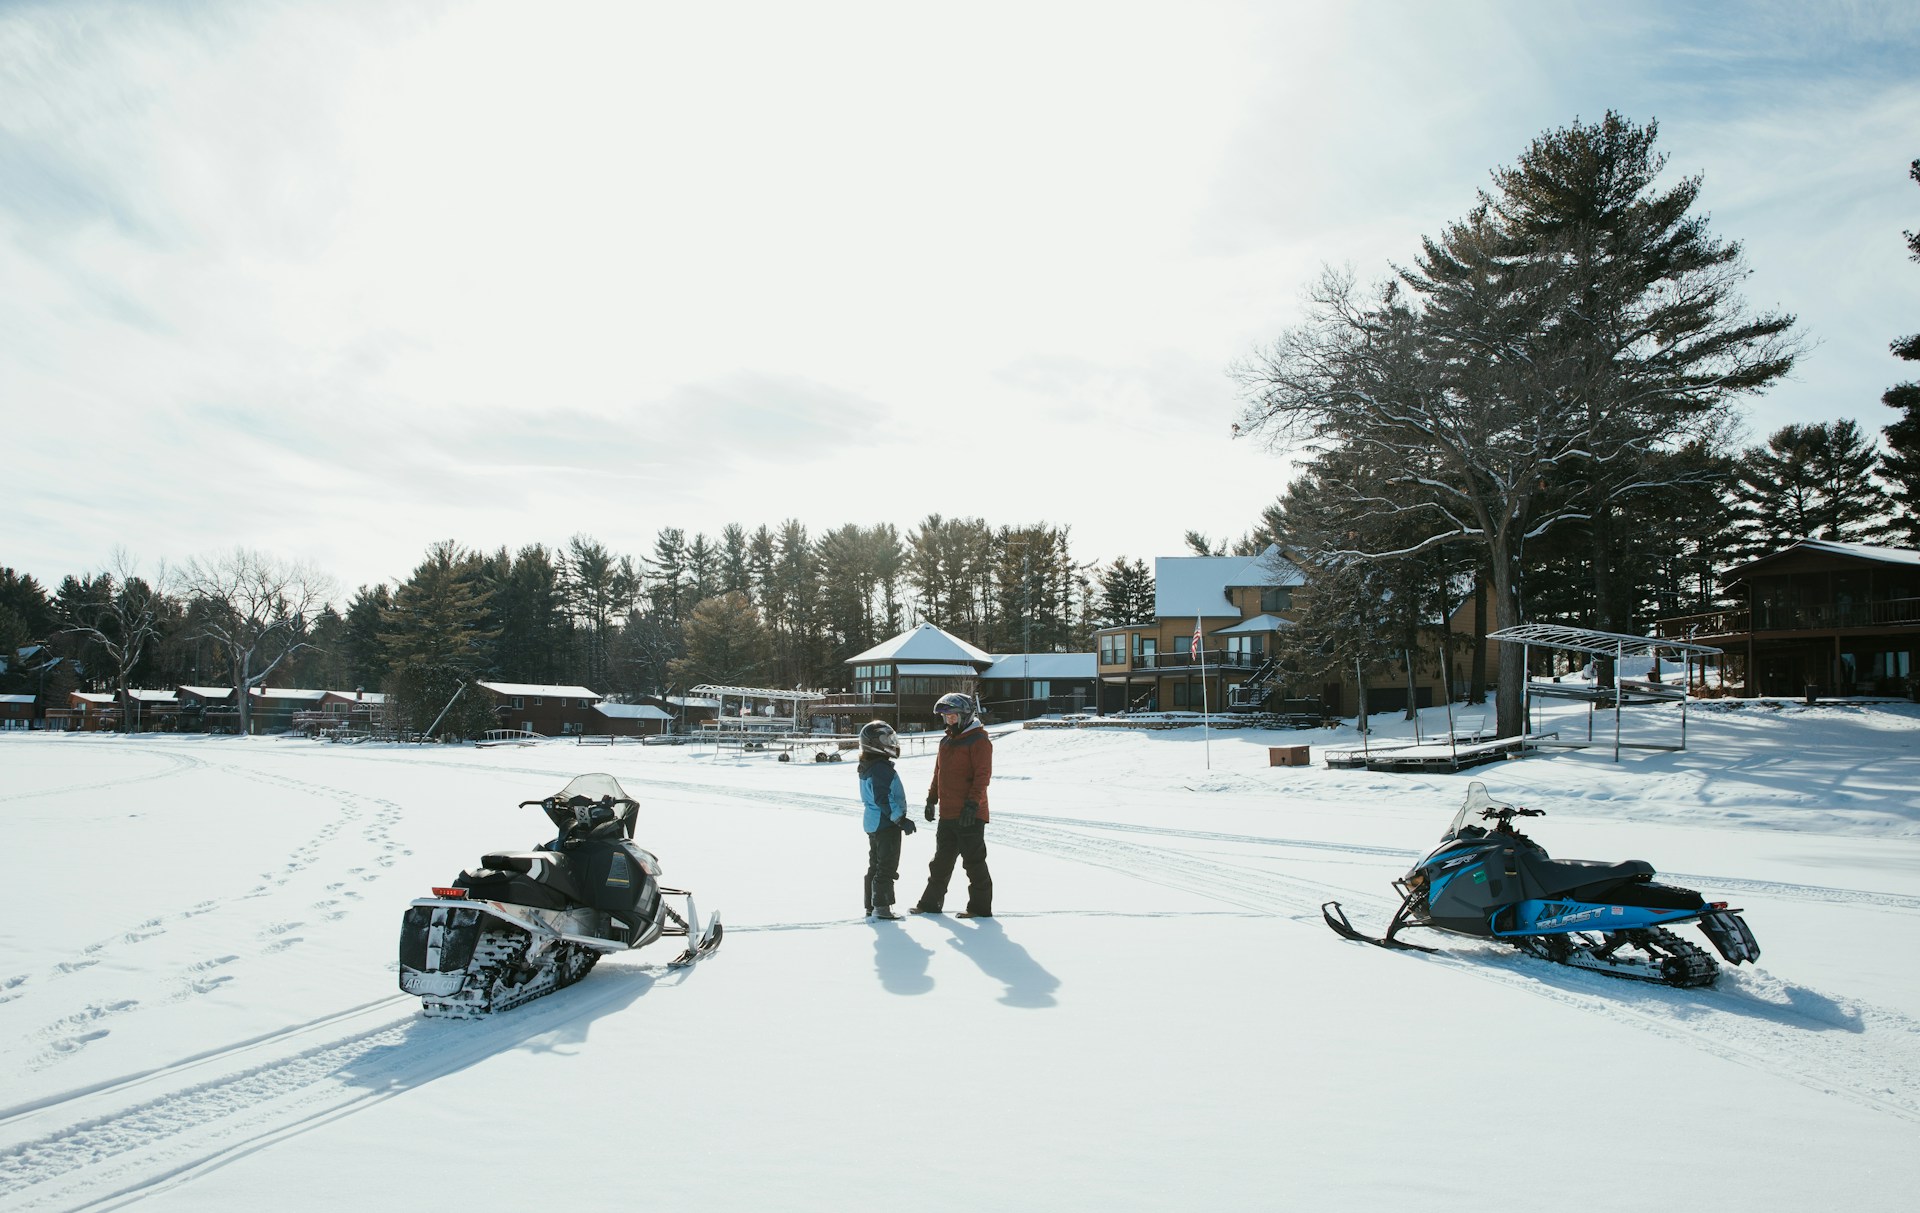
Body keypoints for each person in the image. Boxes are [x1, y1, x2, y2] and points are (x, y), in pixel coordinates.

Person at [910, 692, 993, 918]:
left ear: (965, 716)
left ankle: (980, 908)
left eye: (953, 717)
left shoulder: (979, 740)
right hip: (948, 814)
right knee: (941, 862)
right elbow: (939, 773)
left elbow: (982, 776)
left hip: (970, 815)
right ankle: (930, 904)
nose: (949, 721)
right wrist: (931, 800)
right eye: (946, 718)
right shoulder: (946, 741)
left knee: (973, 863)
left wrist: (972, 805)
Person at [857, 719, 915, 919]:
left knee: (875, 864)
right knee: (886, 866)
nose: (891, 743)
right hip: (885, 823)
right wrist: (900, 820)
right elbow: (883, 798)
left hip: (874, 822)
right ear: (874, 743)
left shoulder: (869, 765)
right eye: (886, 739)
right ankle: (881, 907)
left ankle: (871, 906)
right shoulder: (880, 768)